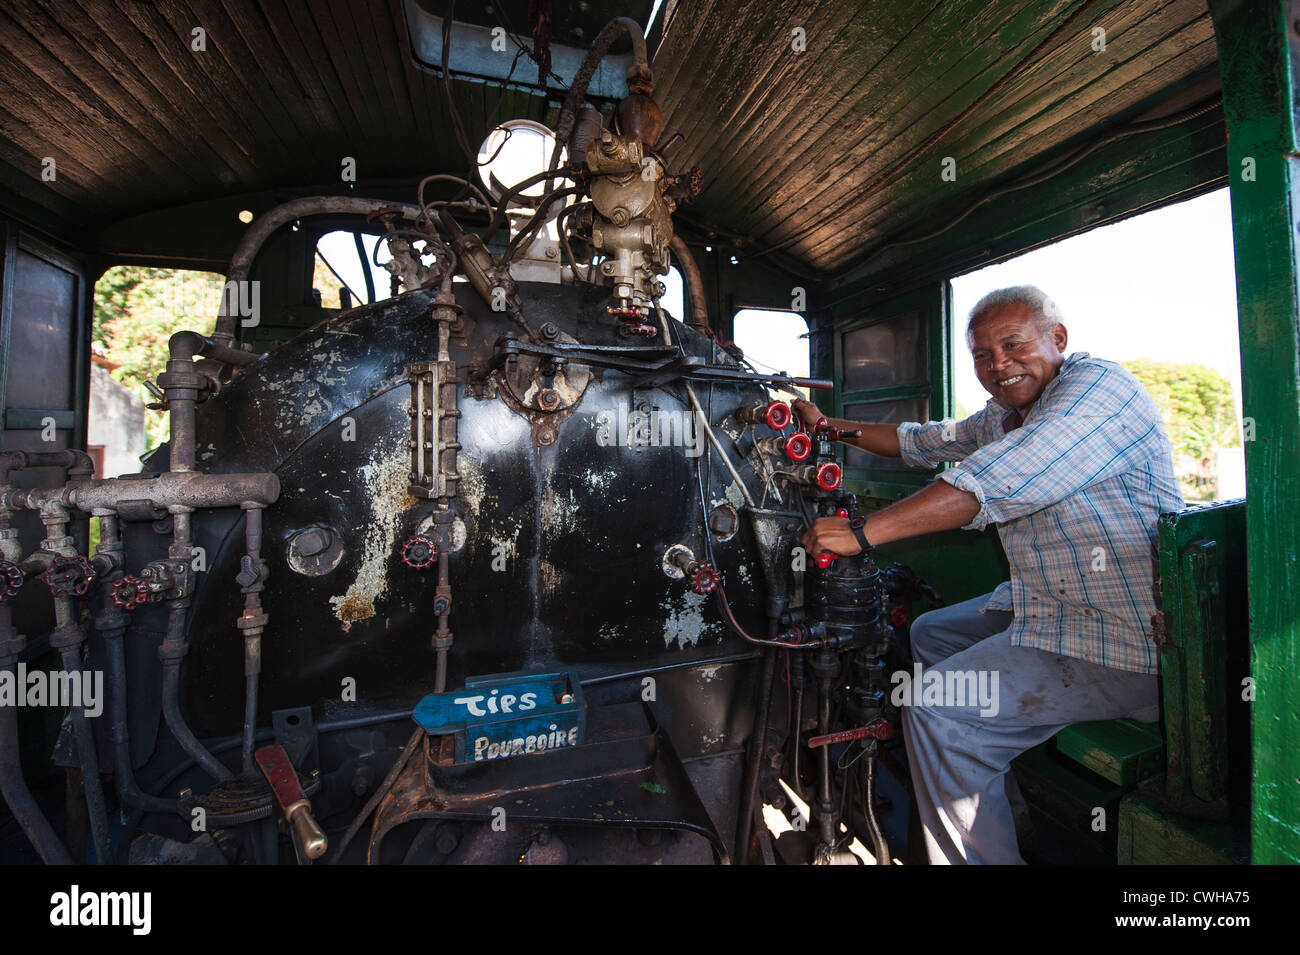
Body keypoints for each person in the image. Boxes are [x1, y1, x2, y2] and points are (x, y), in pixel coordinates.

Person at [796, 285, 1183, 864]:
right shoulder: (1007, 415)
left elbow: (1001, 479)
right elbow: (922, 443)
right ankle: (982, 788)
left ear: (1058, 340)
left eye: (1012, 345)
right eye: (981, 355)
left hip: (1129, 639)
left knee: (933, 711)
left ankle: (971, 807)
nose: (997, 365)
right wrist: (829, 427)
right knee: (930, 634)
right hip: (1051, 607)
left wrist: (861, 533)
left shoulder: (1100, 389)